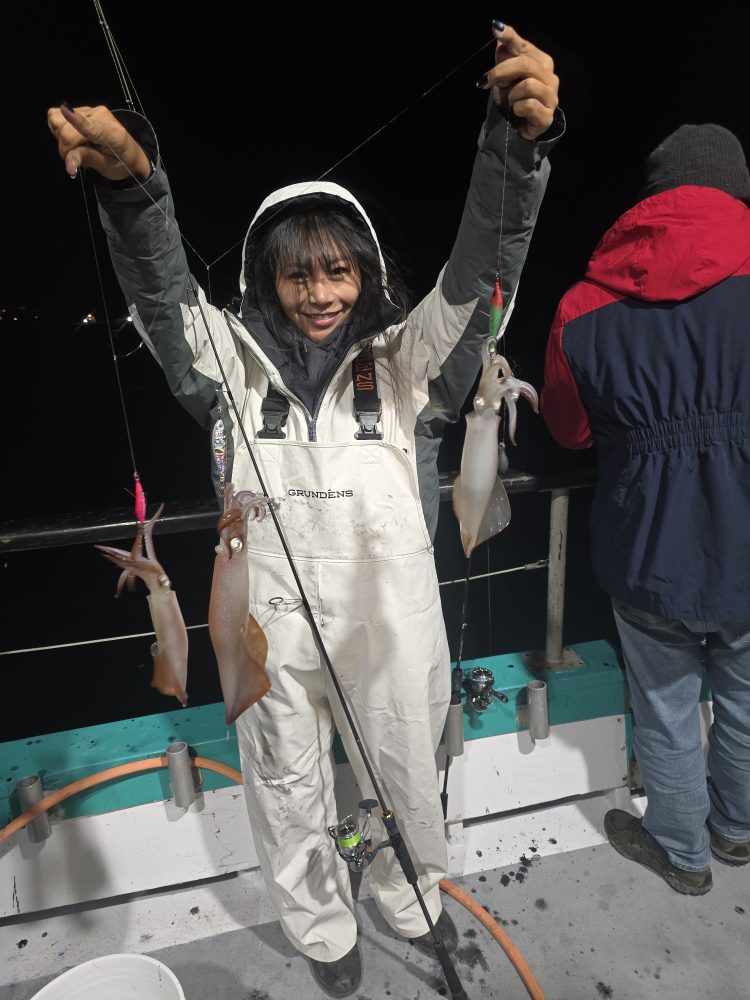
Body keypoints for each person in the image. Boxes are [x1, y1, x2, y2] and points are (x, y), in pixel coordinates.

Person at [49, 20, 562, 997]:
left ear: (363, 271)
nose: (320, 292)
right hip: (269, 637)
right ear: (264, 279)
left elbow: (482, 277)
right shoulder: (226, 370)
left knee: (407, 770)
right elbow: (161, 296)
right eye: (298, 273)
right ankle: (326, 931)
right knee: (288, 792)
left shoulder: (411, 364)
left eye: (337, 270)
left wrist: (516, 148)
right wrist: (135, 190)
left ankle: (412, 900)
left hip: (390, 628)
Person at [540, 122, 750, 897]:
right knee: (747, 702)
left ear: (652, 199)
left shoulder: (584, 303)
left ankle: (680, 851)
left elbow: (569, 427)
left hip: (644, 551)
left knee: (663, 711)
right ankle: (735, 831)